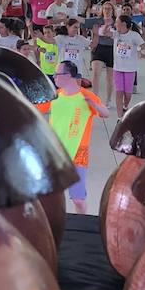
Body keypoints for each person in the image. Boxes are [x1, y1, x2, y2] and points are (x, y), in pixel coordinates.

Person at [37, 61, 107, 214]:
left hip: (78, 155)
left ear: (68, 76)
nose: (54, 77)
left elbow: (105, 114)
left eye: (57, 74)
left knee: (78, 200)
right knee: (50, 197)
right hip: (55, 153)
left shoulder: (86, 96)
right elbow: (35, 108)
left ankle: (81, 226)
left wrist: (93, 104)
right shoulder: (53, 95)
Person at [110, 14, 145, 119]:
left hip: (130, 69)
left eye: (117, 22)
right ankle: (120, 117)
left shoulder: (134, 35)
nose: (115, 24)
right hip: (117, 68)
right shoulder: (116, 34)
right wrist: (107, 25)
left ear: (123, 24)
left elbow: (143, 46)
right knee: (119, 92)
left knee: (128, 94)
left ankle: (125, 105)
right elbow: (105, 33)